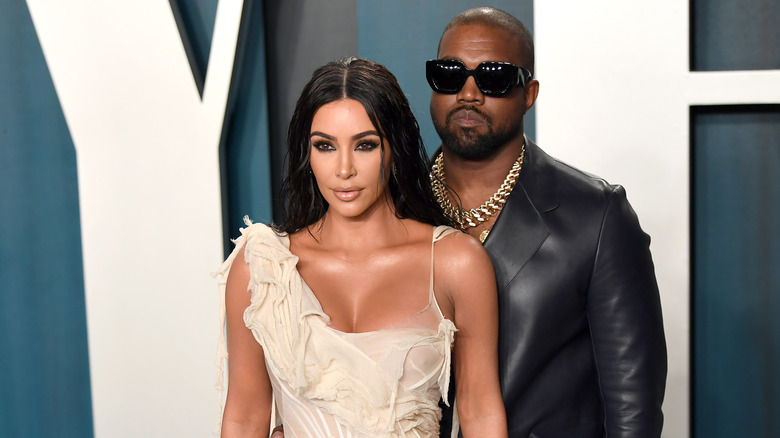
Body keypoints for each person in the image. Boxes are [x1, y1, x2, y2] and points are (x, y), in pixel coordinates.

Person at [216, 57, 507, 437]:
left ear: (395, 147)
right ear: (308, 155)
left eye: (365, 145)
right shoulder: (263, 268)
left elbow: (480, 411)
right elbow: (245, 417)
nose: (344, 169)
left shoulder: (456, 262)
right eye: (325, 146)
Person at [426, 7, 668, 437]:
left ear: (529, 93)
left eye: (494, 77)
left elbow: (634, 411)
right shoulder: (397, 207)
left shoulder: (597, 217)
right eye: (449, 74)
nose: (468, 93)